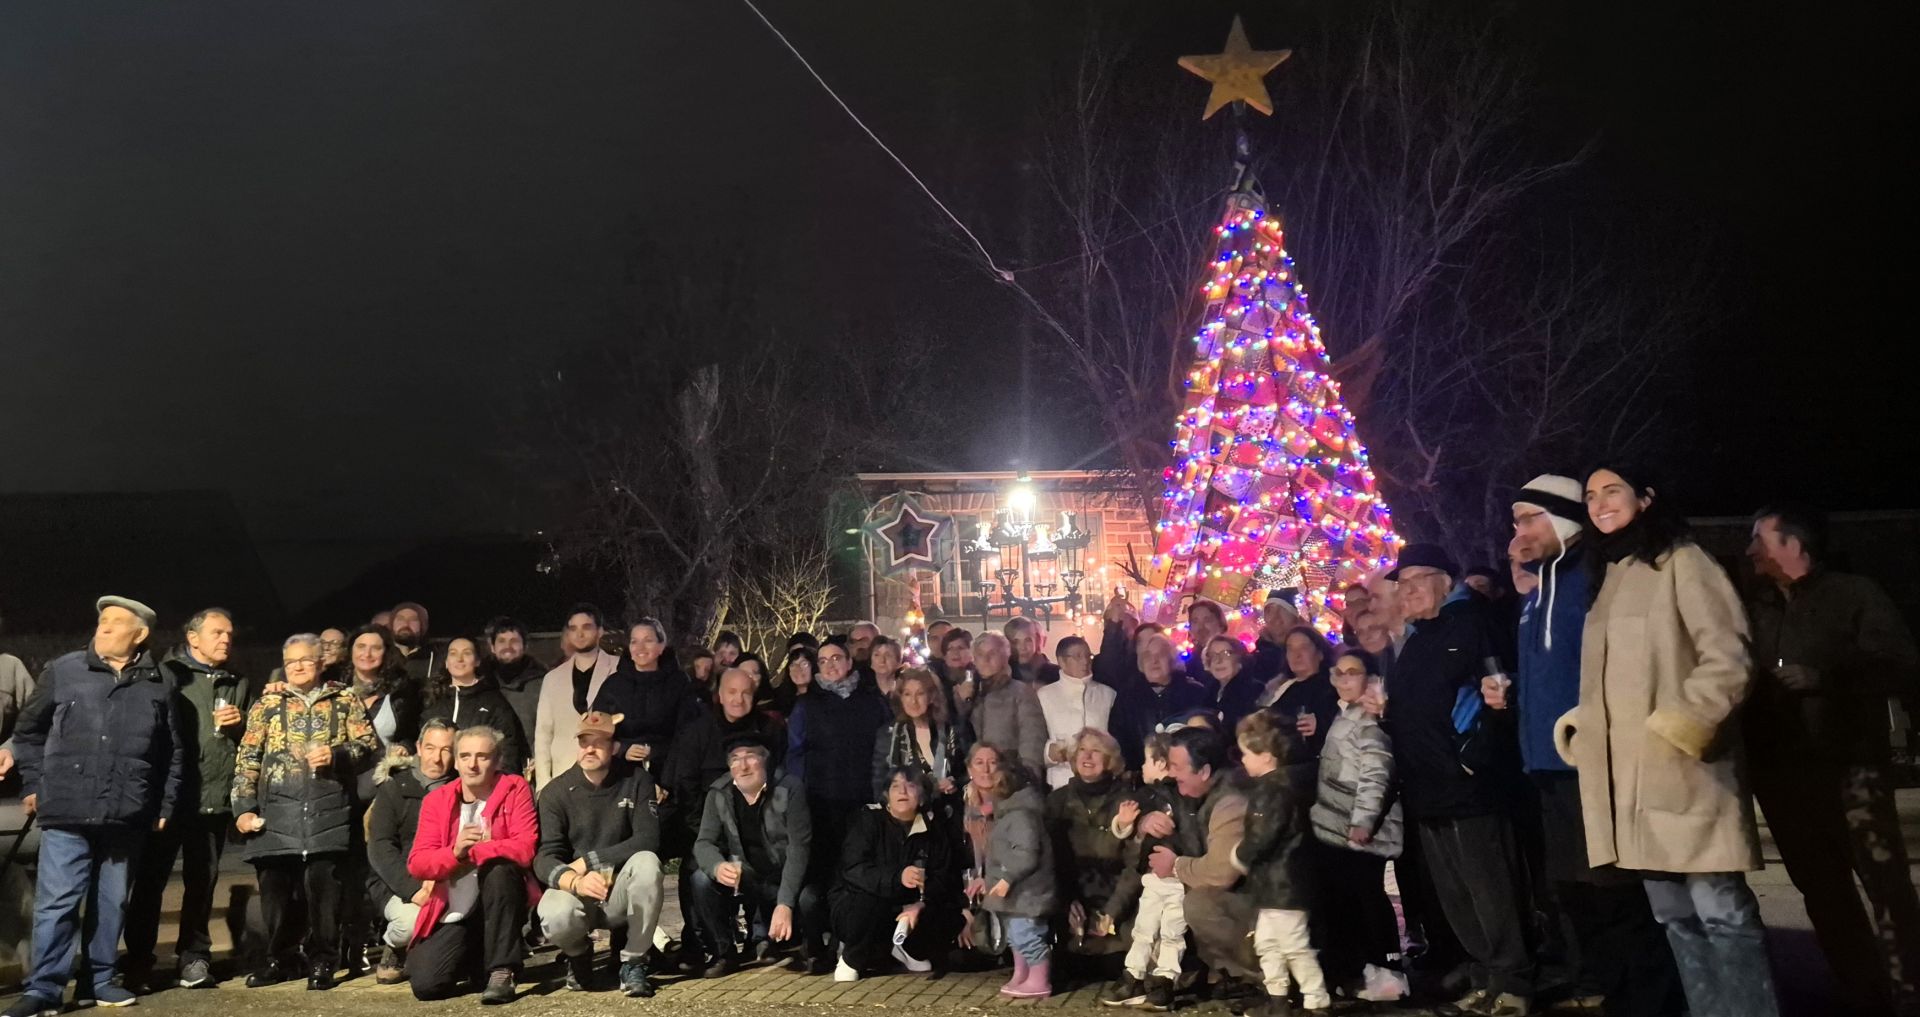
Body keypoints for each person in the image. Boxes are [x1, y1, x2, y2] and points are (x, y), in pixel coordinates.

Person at [1558, 465, 1778, 1017]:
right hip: (1630, 785)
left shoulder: (1684, 561)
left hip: (1687, 772)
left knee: (1721, 912)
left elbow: (1729, 657)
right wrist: (1582, 727)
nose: (1600, 503)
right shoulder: (1610, 575)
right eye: (1590, 496)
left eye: (1613, 491)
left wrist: (1680, 727)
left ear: (1647, 498)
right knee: (1673, 916)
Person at [1490, 475, 1678, 1016]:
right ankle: (1615, 994)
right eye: (1516, 522)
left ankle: (1653, 1001)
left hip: (1593, 761)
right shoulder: (1538, 590)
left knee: (1615, 892)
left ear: (1562, 519)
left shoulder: (1593, 578)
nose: (1519, 532)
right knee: (1575, 894)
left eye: (1529, 518)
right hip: (1546, 766)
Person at [1744, 503, 1920, 1016]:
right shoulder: (1756, 608)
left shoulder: (1853, 594)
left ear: (1794, 545)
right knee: (1822, 892)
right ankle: (1860, 992)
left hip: (1848, 767)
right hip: (1782, 775)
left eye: (1760, 539)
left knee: (1885, 887)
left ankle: (1909, 992)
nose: (1751, 550)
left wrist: (1823, 676)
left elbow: (1901, 666)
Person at [6, 597, 183, 1017]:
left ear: (139, 635)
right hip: (66, 808)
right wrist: (33, 784)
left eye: (113, 624)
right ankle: (44, 989)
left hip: (127, 812)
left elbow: (172, 752)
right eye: (101, 622)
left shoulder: (160, 681)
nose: (101, 629)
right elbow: (28, 733)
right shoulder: (64, 670)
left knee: (111, 901)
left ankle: (99, 981)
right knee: (57, 902)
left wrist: (165, 802)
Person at [1386, 543, 1533, 1016]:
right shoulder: (1415, 638)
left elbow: (1498, 693)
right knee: (1456, 893)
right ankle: (1486, 973)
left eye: (1414, 581)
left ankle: (1515, 980)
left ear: (1443, 581)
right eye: (1401, 584)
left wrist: (1473, 759)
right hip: (1425, 786)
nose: (1405, 592)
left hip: (1469, 787)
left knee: (1490, 888)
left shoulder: (1472, 625)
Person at [232, 633, 381, 991]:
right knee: (276, 894)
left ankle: (323, 961)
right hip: (276, 816)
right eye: (291, 661)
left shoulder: (344, 699)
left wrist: (337, 755)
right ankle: (279, 960)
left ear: (320, 662)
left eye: (305, 660)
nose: (298, 666)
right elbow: (247, 759)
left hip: (326, 813)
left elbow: (369, 747)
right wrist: (242, 807)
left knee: (324, 894)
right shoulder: (267, 704)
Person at [117, 608, 247, 993]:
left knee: (202, 883)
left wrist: (240, 726)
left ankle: (193, 958)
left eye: (230, 634)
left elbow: (249, 742)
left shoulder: (236, 683)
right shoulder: (166, 674)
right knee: (149, 883)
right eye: (218, 632)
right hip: (167, 801)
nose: (226, 639)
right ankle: (138, 961)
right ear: (193, 638)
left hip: (211, 798)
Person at [405, 725, 540, 1004]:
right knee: (427, 985)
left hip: (500, 898)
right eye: (465, 756)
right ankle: (477, 959)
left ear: (497, 760)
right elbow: (417, 863)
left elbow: (525, 849)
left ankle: (503, 970)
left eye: (482, 756)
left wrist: (479, 852)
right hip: (454, 905)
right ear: (455, 761)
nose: (472, 764)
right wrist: (455, 854)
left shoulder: (515, 788)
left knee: (500, 869)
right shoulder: (437, 800)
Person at [535, 711, 666, 998]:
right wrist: (574, 880)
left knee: (648, 863)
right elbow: (545, 856)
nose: (590, 749)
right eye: (584, 742)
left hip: (619, 889)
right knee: (553, 913)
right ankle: (578, 955)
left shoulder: (638, 780)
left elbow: (648, 838)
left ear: (615, 747)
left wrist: (589, 861)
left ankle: (633, 961)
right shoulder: (556, 792)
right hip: (578, 890)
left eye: (600, 742)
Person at [787, 639, 893, 967]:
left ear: (849, 662)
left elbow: (886, 749)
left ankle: (855, 939)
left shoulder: (871, 702)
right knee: (825, 874)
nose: (831, 665)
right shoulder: (808, 705)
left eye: (837, 658)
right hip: (822, 803)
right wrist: (798, 795)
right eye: (823, 660)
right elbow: (795, 753)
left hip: (864, 802)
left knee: (859, 872)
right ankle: (820, 942)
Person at [1142, 726, 1261, 1009]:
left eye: (1176, 767)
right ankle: (1227, 973)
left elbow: (1222, 872)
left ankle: (1261, 976)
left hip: (1265, 902)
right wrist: (1143, 821)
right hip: (1251, 899)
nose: (1171, 774)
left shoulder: (1231, 801)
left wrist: (1176, 866)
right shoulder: (1196, 791)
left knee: (1199, 902)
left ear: (1204, 771)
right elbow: (1156, 800)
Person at [1310, 649, 1404, 1000]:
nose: (1346, 679)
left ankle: (1388, 969)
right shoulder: (1344, 715)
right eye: (1340, 673)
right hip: (1337, 827)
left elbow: (1376, 772)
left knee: (1367, 897)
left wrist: (1363, 821)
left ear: (1369, 678)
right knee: (1347, 899)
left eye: (1353, 672)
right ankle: (1359, 970)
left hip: (1358, 829)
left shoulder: (1367, 720)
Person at [690, 735, 815, 976]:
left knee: (809, 899)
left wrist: (785, 903)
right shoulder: (719, 792)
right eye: (735, 759)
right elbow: (704, 842)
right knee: (701, 879)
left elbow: (799, 848)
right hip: (748, 875)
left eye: (750, 757)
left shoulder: (789, 788)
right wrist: (716, 866)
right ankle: (724, 953)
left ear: (764, 760)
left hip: (784, 874)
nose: (743, 766)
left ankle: (812, 947)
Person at [831, 766, 963, 982]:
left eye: (910, 786)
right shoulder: (868, 821)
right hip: (859, 906)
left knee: (949, 914)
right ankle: (851, 958)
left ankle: (908, 950)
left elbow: (943, 876)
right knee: (870, 901)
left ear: (921, 797)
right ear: (887, 796)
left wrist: (920, 904)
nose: (902, 792)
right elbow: (854, 869)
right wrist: (897, 878)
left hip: (907, 908)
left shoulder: (934, 831)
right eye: (895, 787)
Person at [1235, 712, 1329, 1014]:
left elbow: (1263, 836)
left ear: (1266, 756)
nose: (1243, 760)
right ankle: (1278, 998)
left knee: (1292, 945)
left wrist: (1240, 855)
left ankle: (1316, 999)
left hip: (1282, 883)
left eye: (1246, 754)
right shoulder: (1290, 784)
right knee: (1269, 942)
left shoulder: (1271, 791)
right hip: (1278, 883)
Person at [367, 718, 457, 985]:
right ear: (418, 747)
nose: (437, 758)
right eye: (430, 748)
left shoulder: (462, 788)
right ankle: (395, 948)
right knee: (411, 922)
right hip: (397, 882)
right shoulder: (395, 787)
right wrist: (413, 889)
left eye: (446, 750)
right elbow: (380, 846)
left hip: (446, 877)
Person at [1102, 732, 1184, 1011]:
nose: (1143, 766)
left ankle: (1165, 979)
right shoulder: (1145, 795)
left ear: (1162, 763)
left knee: (1172, 930)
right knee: (1144, 927)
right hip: (1152, 877)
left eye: (1148, 760)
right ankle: (1134, 974)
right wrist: (1124, 823)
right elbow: (1125, 828)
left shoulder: (1180, 796)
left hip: (1177, 878)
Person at [1044, 728, 1131, 963]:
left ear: (1110, 760)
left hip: (1115, 894)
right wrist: (1067, 900)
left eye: (1096, 752)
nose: (1087, 757)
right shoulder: (1057, 801)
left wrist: (1113, 909)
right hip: (1073, 893)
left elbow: (1132, 863)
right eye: (1082, 750)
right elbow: (1050, 861)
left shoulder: (1127, 800)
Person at [971, 762, 1056, 999]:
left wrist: (1007, 878)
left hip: (1027, 893)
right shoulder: (1011, 814)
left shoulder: (1022, 816)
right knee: (1015, 936)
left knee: (1027, 935)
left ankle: (1039, 978)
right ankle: (1023, 973)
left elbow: (1026, 854)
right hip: (1016, 896)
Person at [591, 618, 693, 773]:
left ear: (661, 646)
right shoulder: (613, 685)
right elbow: (597, 729)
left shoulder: (678, 683)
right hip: (623, 772)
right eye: (634, 641)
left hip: (670, 768)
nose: (640, 647)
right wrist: (622, 749)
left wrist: (656, 751)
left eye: (648, 640)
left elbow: (689, 730)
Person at [535, 604, 619, 787]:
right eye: (573, 629)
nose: (580, 634)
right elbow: (543, 735)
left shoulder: (619, 669)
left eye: (587, 627)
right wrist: (543, 784)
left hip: (609, 774)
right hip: (563, 775)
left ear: (600, 631)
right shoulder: (553, 678)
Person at [422, 637, 530, 777]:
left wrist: (502, 785)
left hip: (479, 783)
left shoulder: (493, 702)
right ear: (446, 662)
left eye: (466, 653)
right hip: (435, 784)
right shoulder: (432, 699)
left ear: (477, 661)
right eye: (453, 653)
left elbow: (508, 748)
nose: (459, 659)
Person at [1109, 633, 1213, 773]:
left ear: (1171, 660)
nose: (1154, 661)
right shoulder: (1127, 697)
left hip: (1186, 774)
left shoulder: (1194, 693)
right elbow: (1118, 738)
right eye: (1148, 656)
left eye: (1161, 655)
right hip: (1143, 777)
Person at [956, 633, 1049, 780]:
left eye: (992, 653)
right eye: (980, 654)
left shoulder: (1021, 692)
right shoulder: (968, 693)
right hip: (975, 782)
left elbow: (1032, 741)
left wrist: (1027, 779)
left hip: (1009, 779)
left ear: (1006, 656)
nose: (986, 659)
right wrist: (962, 704)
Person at [871, 668, 966, 802]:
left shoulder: (952, 730)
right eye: (907, 694)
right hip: (906, 814)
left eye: (920, 694)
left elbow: (968, 773)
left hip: (948, 810)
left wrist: (954, 783)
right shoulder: (888, 734)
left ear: (932, 696)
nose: (913, 701)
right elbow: (880, 783)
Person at [1036, 636, 1116, 788]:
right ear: (1061, 661)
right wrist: (1049, 753)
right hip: (1061, 780)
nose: (1085, 662)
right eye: (1078, 656)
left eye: (1088, 656)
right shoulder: (1045, 695)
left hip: (1101, 780)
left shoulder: (1107, 694)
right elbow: (1035, 737)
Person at [1260, 627, 1342, 766]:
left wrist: (1321, 725)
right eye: (1290, 649)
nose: (1296, 655)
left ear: (1320, 653)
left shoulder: (1332, 686)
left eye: (1304, 647)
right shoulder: (1284, 687)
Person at [482, 617, 543, 752]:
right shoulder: (483, 683)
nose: (508, 646)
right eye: (501, 641)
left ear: (525, 646)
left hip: (529, 764)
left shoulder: (542, 683)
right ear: (492, 647)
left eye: (514, 641)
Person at [1200, 636, 1265, 750]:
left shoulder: (1253, 689)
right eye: (1213, 655)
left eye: (1226, 654)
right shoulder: (1208, 692)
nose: (1218, 660)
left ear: (1239, 659)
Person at [1183, 601, 1229, 694]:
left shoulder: (1234, 657)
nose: (1201, 627)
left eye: (1207, 620)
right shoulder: (1186, 665)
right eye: (1195, 621)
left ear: (1220, 624)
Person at [1005, 617, 1061, 685]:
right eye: (1015, 642)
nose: (1022, 647)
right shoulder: (1003, 674)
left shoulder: (1057, 674)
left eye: (1028, 640)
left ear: (1037, 640)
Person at [390, 602, 436, 684]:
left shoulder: (435, 658)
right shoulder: (381, 655)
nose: (405, 624)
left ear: (422, 626)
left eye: (413, 620)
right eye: (400, 619)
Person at [763, 646, 816, 716]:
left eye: (804, 664)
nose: (798, 669)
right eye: (793, 665)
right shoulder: (780, 700)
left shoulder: (825, 699)